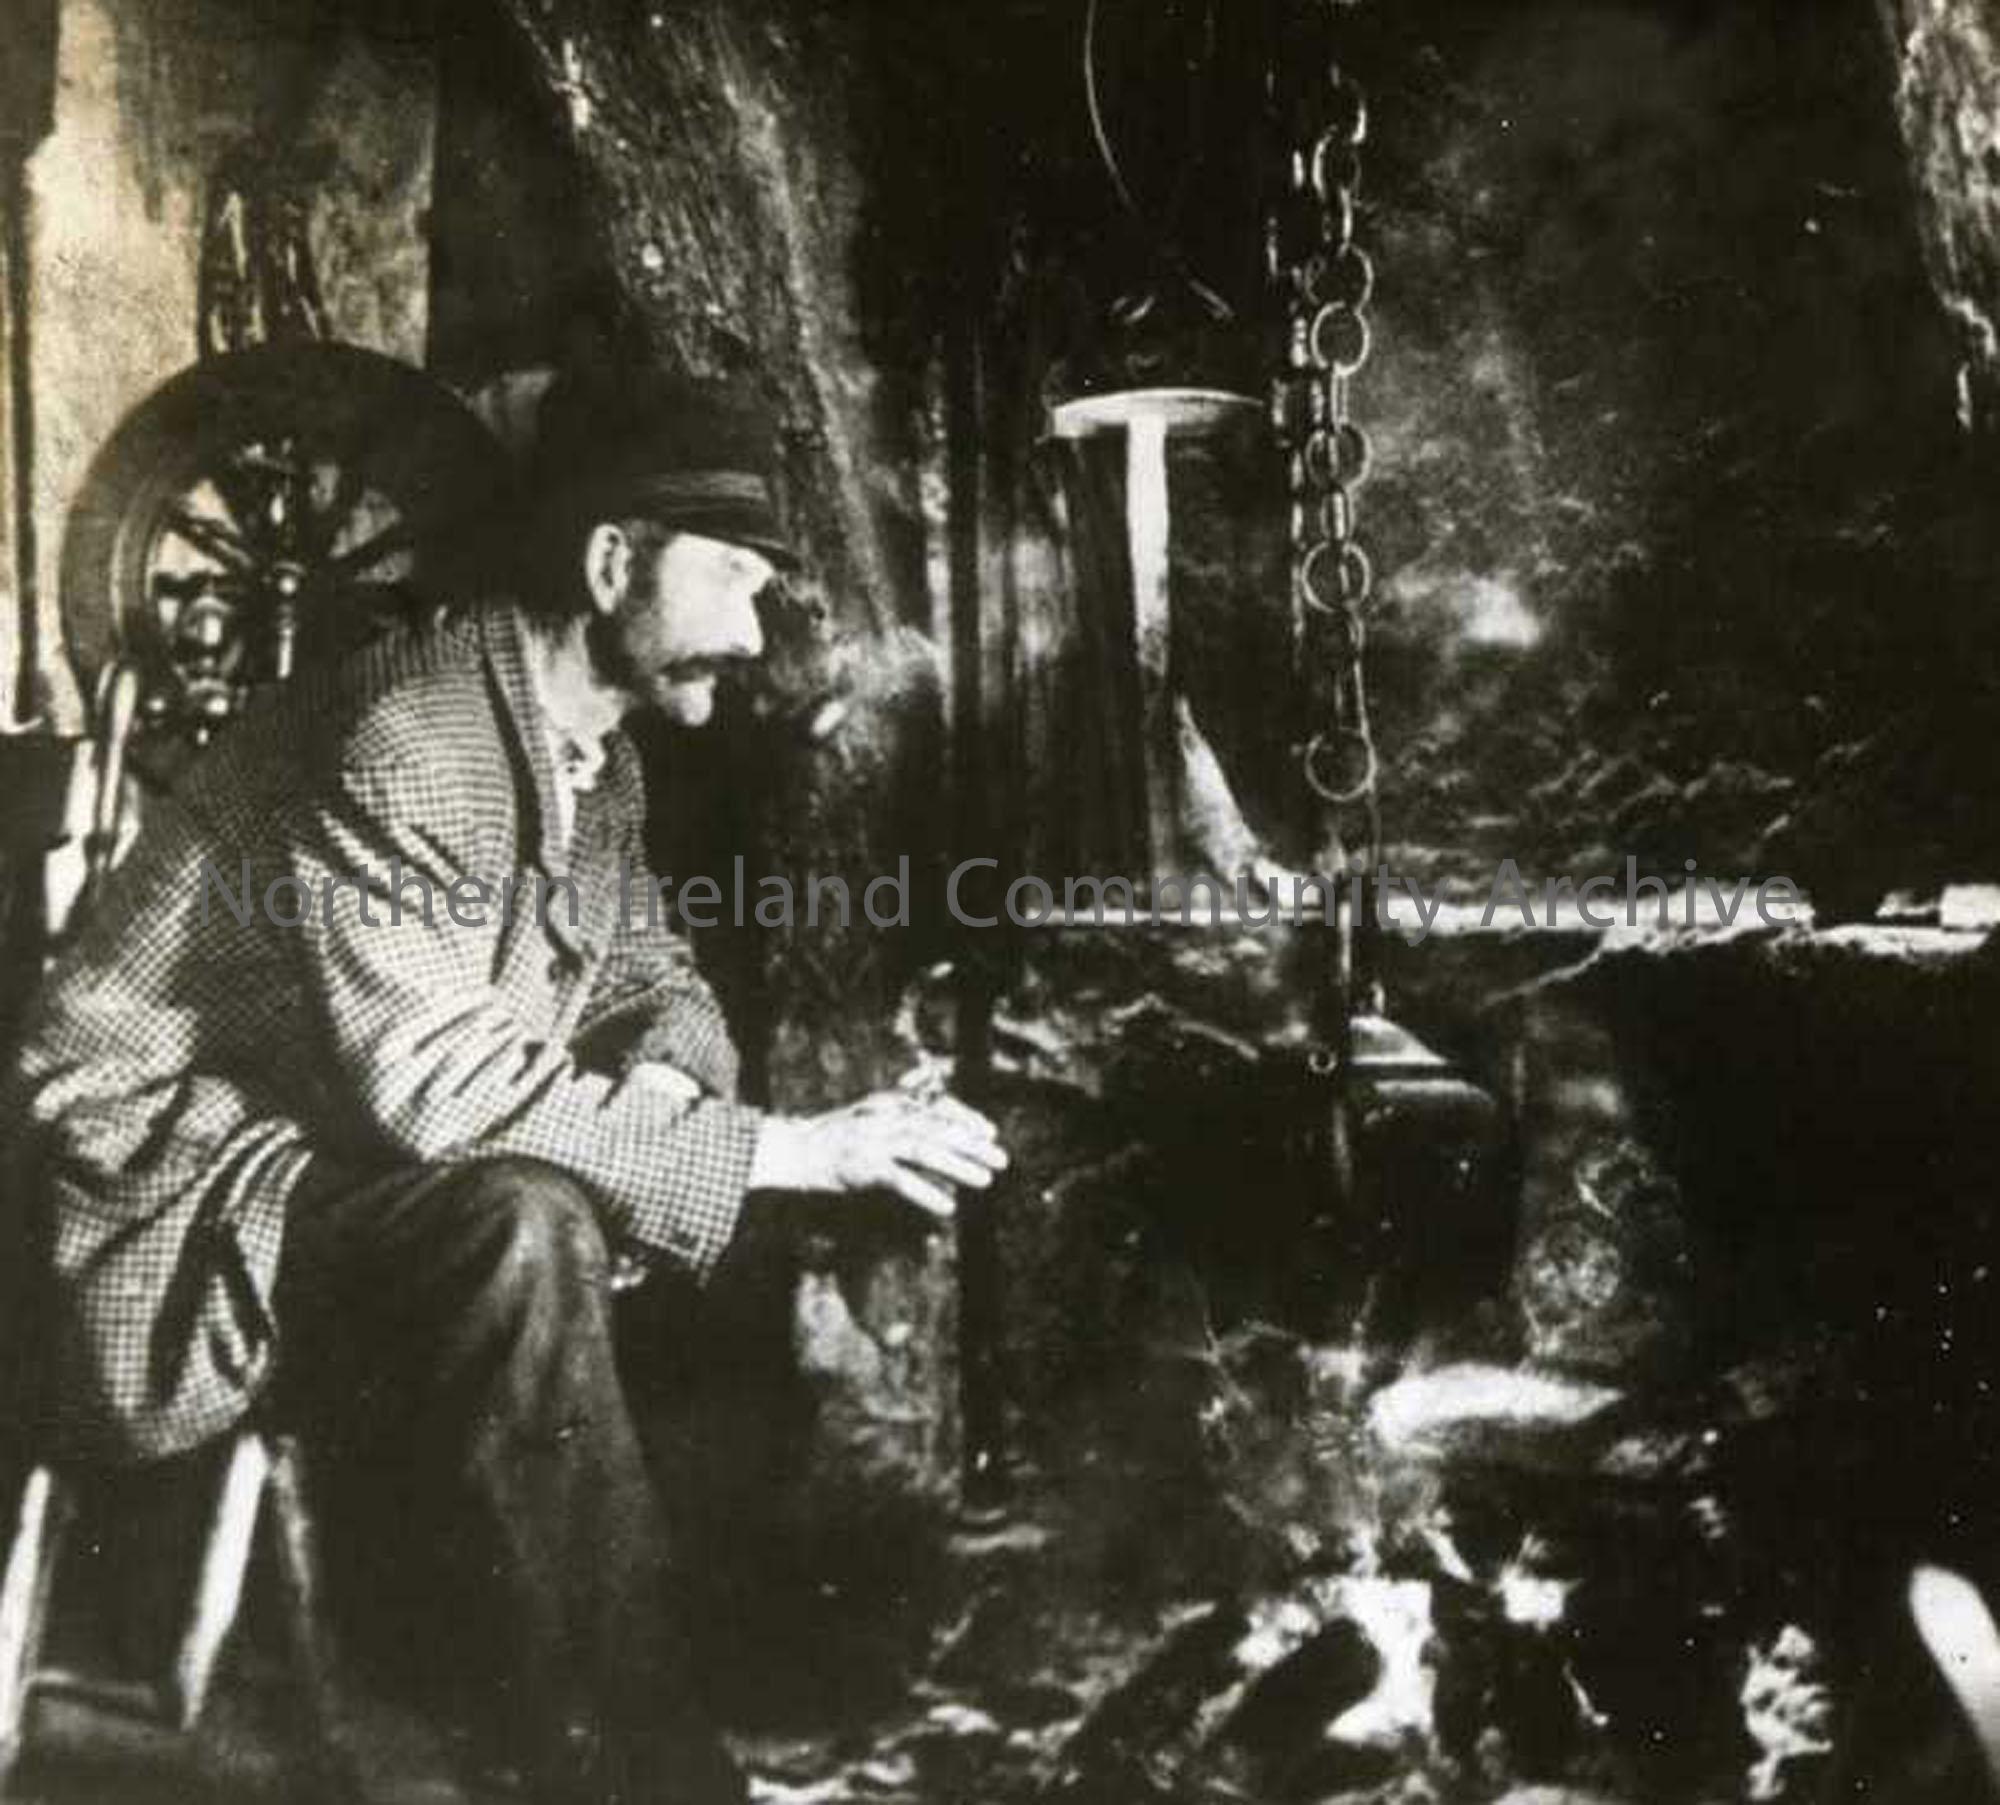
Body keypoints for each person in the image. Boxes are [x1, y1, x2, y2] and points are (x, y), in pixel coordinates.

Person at [3, 366, 1006, 1802]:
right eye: (733, 575)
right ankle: (643, 1776)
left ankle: (598, 1725)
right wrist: (783, 1149)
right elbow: (442, 1087)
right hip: (148, 1198)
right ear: (610, 565)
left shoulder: (591, 756)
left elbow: (657, 983)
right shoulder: (410, 735)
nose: (754, 630)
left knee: (599, 1207)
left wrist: (670, 1097)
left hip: (316, 1159)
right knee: (525, 1226)